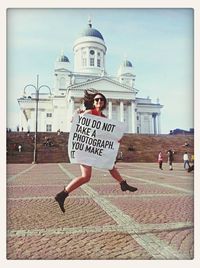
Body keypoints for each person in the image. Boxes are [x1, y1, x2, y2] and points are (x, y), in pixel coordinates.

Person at [55, 89, 138, 213]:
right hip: (85, 147)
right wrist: (77, 114)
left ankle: (123, 184)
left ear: (104, 103)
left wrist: (116, 139)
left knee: (110, 164)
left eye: (101, 100)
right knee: (86, 177)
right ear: (93, 102)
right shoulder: (88, 112)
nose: (99, 101)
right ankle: (62, 194)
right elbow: (75, 123)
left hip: (96, 147)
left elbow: (107, 134)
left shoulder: (104, 118)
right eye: (97, 99)